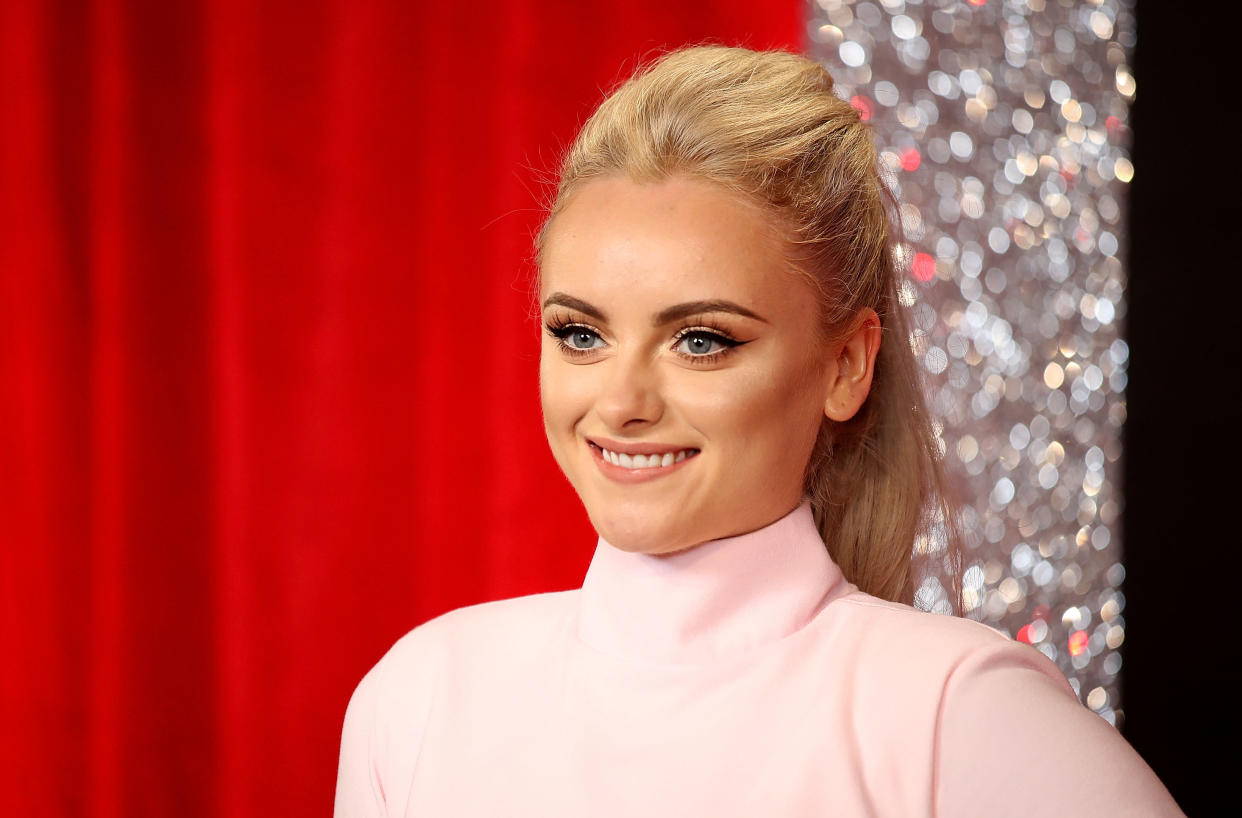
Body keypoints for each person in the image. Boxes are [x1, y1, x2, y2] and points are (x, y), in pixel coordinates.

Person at [334, 45, 1183, 817]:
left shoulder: (959, 715)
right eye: (580, 333)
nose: (621, 401)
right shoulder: (420, 698)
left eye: (701, 339)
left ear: (846, 365)